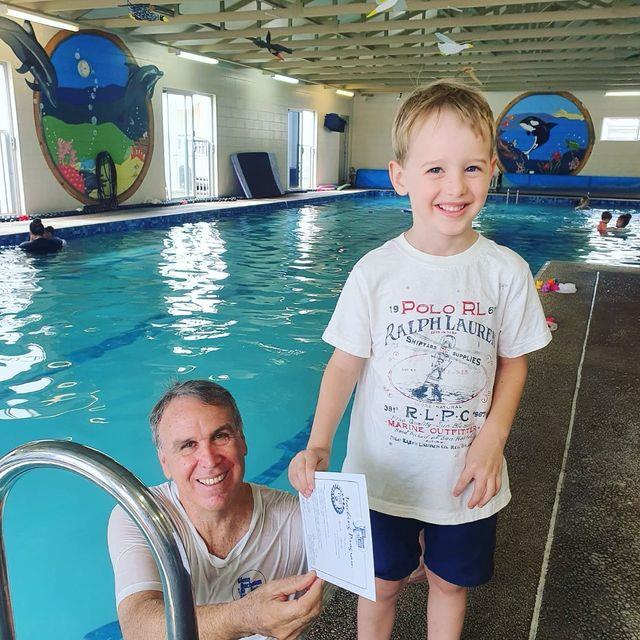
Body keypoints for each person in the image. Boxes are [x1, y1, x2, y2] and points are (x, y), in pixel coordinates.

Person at [288, 79, 552, 640]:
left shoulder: (505, 272)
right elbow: (344, 364)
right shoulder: (375, 272)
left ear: (492, 171)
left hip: (463, 475)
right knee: (380, 584)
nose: (455, 187)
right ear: (399, 176)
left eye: (472, 168)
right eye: (435, 169)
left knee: (449, 583)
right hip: (381, 475)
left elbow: (514, 362)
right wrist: (319, 443)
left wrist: (493, 438)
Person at [108, 380, 323, 640]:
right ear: (164, 463)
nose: (209, 461)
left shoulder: (292, 518)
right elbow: (137, 627)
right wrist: (246, 617)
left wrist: (322, 486)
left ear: (242, 442)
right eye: (188, 445)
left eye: (220, 436)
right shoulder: (141, 517)